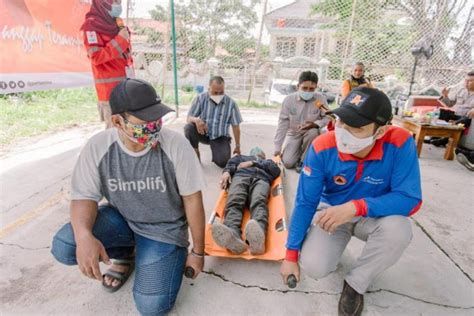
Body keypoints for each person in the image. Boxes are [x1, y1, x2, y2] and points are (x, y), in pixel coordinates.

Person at [51, 79, 206, 315]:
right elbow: (84, 197)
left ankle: (154, 254)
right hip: (122, 220)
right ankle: (125, 254)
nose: (153, 126)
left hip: (163, 230)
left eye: (157, 118)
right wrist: (84, 236)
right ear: (117, 121)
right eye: (145, 121)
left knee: (152, 306)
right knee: (66, 245)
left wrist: (197, 253)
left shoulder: (176, 145)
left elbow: (193, 200)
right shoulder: (98, 147)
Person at [280, 87, 422, 316]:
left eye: (356, 127)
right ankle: (331, 244)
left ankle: (356, 284)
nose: (343, 131)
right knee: (315, 267)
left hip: (374, 215)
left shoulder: (400, 143)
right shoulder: (323, 145)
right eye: (342, 121)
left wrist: (357, 207)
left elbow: (410, 199)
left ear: (381, 131)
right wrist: (290, 254)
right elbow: (305, 203)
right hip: (331, 213)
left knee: (399, 230)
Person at [212, 147, 281, 255]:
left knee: (259, 203)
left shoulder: (268, 162)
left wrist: (253, 163)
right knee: (234, 202)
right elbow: (230, 164)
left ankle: (258, 237)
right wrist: (226, 172)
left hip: (261, 179)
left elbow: (276, 171)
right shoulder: (240, 158)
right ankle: (233, 236)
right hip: (241, 176)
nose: (260, 154)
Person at [81, 0, 134, 128]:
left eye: (119, 1)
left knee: (129, 129)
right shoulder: (91, 26)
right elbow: (96, 57)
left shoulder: (117, 23)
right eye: (114, 1)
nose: (118, 5)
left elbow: (124, 55)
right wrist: (120, 39)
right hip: (109, 92)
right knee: (115, 132)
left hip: (126, 87)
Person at [274, 71, 329, 171]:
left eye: (311, 89)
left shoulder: (320, 99)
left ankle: (304, 161)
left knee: (313, 132)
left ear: (316, 87)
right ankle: (297, 151)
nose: (308, 91)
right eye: (304, 88)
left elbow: (328, 117)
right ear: (298, 86)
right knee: (288, 163)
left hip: (311, 134)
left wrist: (315, 124)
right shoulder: (289, 100)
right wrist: (277, 147)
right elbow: (282, 124)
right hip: (293, 134)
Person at [184, 76, 243, 168]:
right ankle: (195, 154)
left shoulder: (231, 104)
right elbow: (189, 118)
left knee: (223, 162)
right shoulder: (200, 99)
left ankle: (217, 151)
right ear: (208, 89)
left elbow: (236, 126)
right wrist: (196, 120)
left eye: (221, 92)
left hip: (219, 136)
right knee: (189, 127)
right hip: (202, 133)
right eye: (215, 92)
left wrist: (238, 146)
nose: (218, 95)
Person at [430, 71, 474, 148]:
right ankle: (435, 137)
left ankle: (443, 140)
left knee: (466, 119)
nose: (466, 83)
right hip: (457, 115)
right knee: (441, 112)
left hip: (467, 118)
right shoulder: (461, 90)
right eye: (465, 80)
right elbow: (450, 104)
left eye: (469, 81)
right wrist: (445, 96)